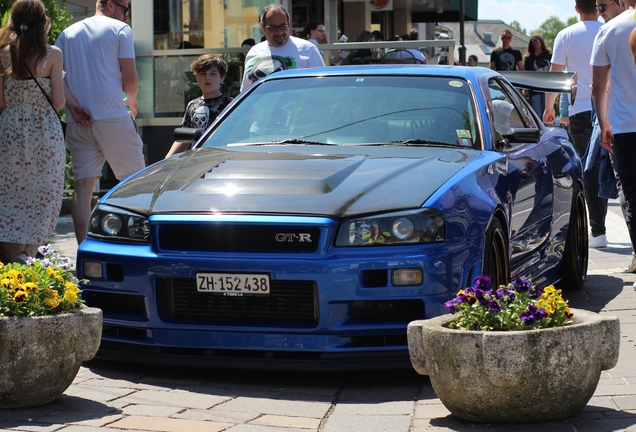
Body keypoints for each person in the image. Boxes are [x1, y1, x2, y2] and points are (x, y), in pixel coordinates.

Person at [55, 0, 145, 245]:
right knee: (135, 181)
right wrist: (132, 101)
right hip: (113, 115)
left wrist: (73, 106)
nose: (126, 16)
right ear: (110, 5)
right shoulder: (119, 30)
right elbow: (130, 75)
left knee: (83, 187)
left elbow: (57, 77)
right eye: (125, 9)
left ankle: (84, 248)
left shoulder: (66, 34)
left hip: (78, 120)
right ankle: (135, 243)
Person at [0, 0, 65, 264]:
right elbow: (59, 102)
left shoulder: (3, 53)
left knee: (11, 195)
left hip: (10, 132)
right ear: (42, 23)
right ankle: (29, 257)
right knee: (44, 194)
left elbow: (1, 103)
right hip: (45, 133)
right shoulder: (53, 54)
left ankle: (13, 261)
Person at [544, 0, 606, 248]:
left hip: (581, 109)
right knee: (613, 169)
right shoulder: (608, 29)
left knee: (588, 169)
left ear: (577, 8)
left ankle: (598, 232)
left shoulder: (566, 35)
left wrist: (550, 106)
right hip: (611, 109)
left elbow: (556, 73)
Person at [591, 0, 636, 273]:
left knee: (631, 193)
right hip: (622, 124)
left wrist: (604, 122)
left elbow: (597, 87)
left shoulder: (610, 29)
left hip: (624, 124)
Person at [240, 4, 324, 92]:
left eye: (283, 26)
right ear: (263, 27)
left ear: (288, 22)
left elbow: (322, 87)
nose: (279, 31)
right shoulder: (253, 52)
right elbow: (246, 91)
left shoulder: (308, 49)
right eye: (272, 27)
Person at [165, 55, 233, 158]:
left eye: (213, 74)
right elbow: (185, 137)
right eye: (202, 74)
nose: (207, 78)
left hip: (222, 159)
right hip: (197, 161)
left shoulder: (231, 104)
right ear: (196, 77)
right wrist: (168, 159)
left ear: (222, 77)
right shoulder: (192, 105)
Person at [523, 34, 551, 116]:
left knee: (548, 114)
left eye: (537, 40)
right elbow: (526, 75)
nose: (535, 43)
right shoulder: (529, 58)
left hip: (548, 89)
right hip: (535, 90)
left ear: (541, 42)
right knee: (537, 115)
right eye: (533, 41)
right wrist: (525, 88)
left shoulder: (549, 55)